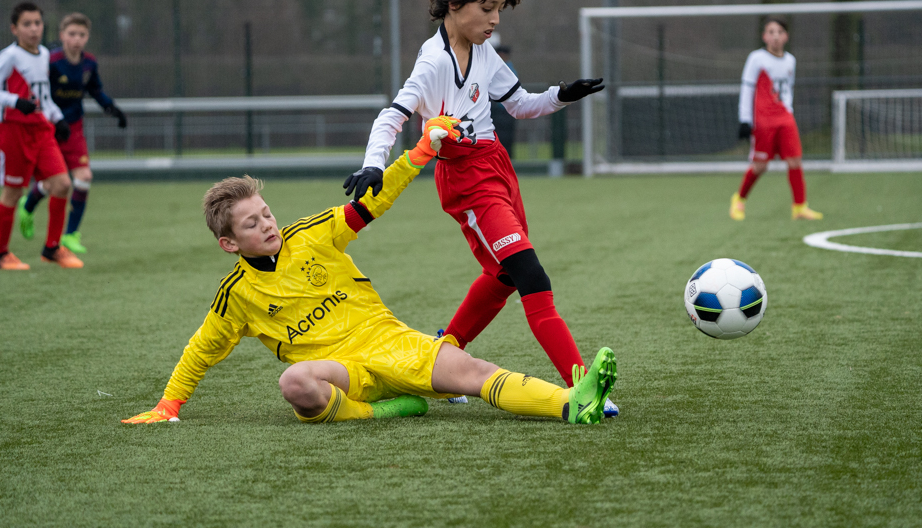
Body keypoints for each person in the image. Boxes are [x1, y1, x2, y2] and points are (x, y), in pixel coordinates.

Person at [122, 118, 617, 426]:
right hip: (345, 375)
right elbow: (201, 349)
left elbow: (372, 202)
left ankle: (573, 402)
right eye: (252, 223)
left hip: (390, 343)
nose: (268, 224)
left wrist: (419, 153)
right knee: (295, 384)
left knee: (472, 372)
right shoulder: (237, 295)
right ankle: (379, 410)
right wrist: (170, 404)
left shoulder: (312, 234)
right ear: (230, 243)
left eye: (267, 213)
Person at [342, 0, 618, 416]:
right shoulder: (433, 62)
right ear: (454, 2)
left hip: (498, 168)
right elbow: (393, 115)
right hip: (468, 181)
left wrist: (562, 95)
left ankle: (443, 351)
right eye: (486, 7)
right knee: (531, 274)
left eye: (498, 9)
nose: (494, 19)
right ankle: (581, 385)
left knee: (504, 275)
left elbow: (521, 104)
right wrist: (374, 164)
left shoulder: (485, 52)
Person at [18, 12, 127, 254]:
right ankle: (29, 203)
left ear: (87, 37)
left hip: (74, 128)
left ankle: (70, 235)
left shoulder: (89, 63)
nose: (76, 39)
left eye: (81, 35)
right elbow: (37, 92)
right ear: (62, 36)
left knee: (84, 177)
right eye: (72, 34)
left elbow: (96, 90)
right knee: (53, 182)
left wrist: (112, 108)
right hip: (50, 127)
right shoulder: (52, 62)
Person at [0, 2, 82, 270]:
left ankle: (52, 248)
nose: (33, 29)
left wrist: (58, 118)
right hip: (14, 131)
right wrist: (14, 102)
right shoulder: (9, 56)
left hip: (41, 130)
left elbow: (42, 98)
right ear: (14, 29)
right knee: (14, 191)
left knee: (63, 183)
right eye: (27, 24)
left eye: (37, 23)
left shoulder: (43, 55)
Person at [730, 16, 823, 222]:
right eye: (771, 32)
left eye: (779, 32)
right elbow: (747, 89)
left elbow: (787, 90)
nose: (775, 36)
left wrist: (788, 110)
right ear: (764, 36)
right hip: (763, 122)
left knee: (795, 160)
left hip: (785, 119)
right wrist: (744, 120)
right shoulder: (757, 59)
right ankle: (739, 200)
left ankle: (799, 207)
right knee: (760, 166)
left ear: (786, 36)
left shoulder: (791, 61)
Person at [491, 44, 517, 160]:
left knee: (507, 138)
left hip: (507, 110)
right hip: (495, 110)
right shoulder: (493, 68)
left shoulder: (509, 70)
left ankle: (507, 160)